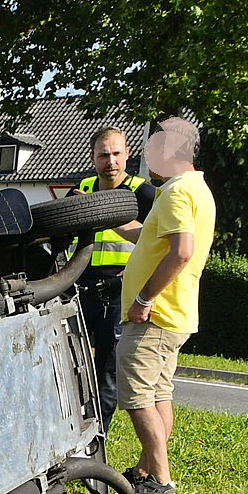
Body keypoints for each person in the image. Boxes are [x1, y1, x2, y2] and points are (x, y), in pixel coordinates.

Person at [117, 116, 215, 494]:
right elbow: (149, 236)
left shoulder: (176, 192)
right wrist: (101, 215)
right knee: (159, 395)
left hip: (154, 317)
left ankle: (160, 479)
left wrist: (144, 298)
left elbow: (182, 252)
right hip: (175, 315)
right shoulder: (196, 189)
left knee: (138, 397)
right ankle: (146, 471)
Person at [69, 127, 155, 443]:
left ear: (127, 154)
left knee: (107, 370)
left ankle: (96, 439)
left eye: (117, 154)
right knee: (69, 365)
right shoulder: (81, 189)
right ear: (93, 158)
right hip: (79, 289)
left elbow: (158, 242)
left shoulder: (143, 194)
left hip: (120, 293)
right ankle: (70, 431)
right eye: (104, 155)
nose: (111, 161)